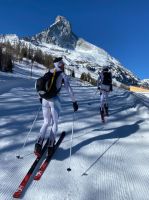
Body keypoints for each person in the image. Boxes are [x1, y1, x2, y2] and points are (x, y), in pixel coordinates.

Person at [34, 57, 78, 157]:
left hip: (45, 99)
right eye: (62, 64)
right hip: (55, 100)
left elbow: (39, 84)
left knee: (46, 122)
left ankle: (38, 144)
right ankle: (50, 146)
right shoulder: (62, 74)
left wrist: (40, 97)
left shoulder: (48, 72)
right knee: (54, 123)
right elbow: (69, 90)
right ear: (60, 64)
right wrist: (74, 102)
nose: (64, 65)